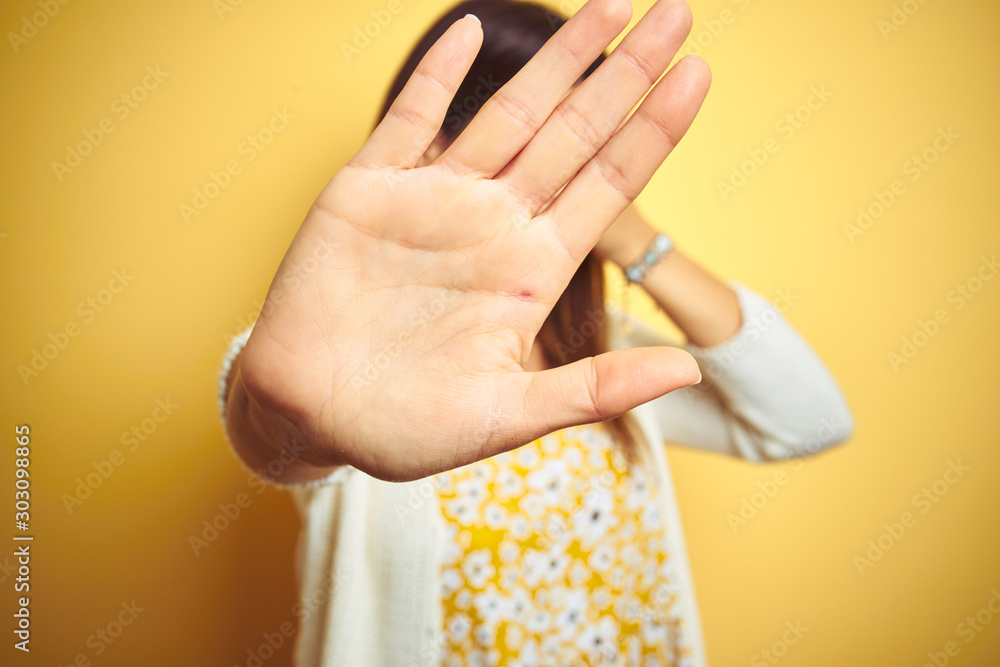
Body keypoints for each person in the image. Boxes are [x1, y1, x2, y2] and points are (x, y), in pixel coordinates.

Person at [218, 0, 854, 664]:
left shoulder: (604, 363)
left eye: (579, 154)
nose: (553, 174)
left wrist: (637, 242)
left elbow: (809, 419)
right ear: (433, 143)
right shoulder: (357, 357)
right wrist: (281, 421)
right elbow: (280, 433)